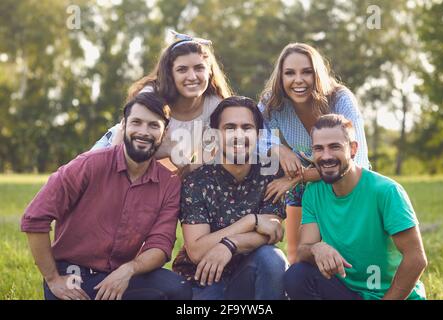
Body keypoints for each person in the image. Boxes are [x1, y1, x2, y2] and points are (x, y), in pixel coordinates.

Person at [21, 92, 192, 300]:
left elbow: (160, 245)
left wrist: (128, 270)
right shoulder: (89, 165)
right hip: (73, 277)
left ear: (164, 133)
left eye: (153, 125)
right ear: (124, 125)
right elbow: (34, 218)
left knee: (177, 288)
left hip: (120, 276)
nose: (143, 132)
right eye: (136, 122)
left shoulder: (168, 183)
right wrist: (53, 279)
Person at [284, 114, 427, 300]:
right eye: (319, 148)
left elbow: (416, 259)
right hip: (348, 292)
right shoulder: (313, 192)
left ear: (353, 149)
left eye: (335, 147)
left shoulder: (386, 191)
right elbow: (304, 250)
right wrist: (316, 248)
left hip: (389, 296)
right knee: (297, 275)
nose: (326, 156)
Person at [259, 43, 370, 264]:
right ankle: (295, 273)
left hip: (346, 179)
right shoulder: (274, 102)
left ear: (317, 73)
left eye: (306, 72)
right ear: (280, 76)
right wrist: (278, 149)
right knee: (299, 256)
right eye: (290, 73)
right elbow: (251, 135)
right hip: (302, 183)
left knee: (349, 251)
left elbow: (357, 161)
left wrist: (298, 177)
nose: (298, 80)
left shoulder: (340, 99)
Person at [172, 96, 289, 300]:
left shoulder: (270, 173)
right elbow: (197, 251)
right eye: (230, 127)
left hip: (250, 273)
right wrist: (250, 221)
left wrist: (230, 244)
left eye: (247, 127)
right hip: (202, 276)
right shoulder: (196, 181)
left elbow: (273, 231)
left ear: (259, 135)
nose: (239, 135)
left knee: (272, 259)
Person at [92, 31, 233, 175]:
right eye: (182, 69)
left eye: (199, 68)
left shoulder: (215, 106)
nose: (192, 76)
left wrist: (176, 161)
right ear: (170, 74)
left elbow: (199, 167)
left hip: (157, 173)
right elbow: (120, 147)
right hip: (116, 151)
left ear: (209, 71)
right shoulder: (151, 95)